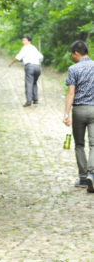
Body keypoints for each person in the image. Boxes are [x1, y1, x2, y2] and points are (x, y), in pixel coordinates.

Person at [63, 40, 94, 192]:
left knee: (80, 144)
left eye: (72, 54)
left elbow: (71, 93)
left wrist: (66, 114)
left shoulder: (73, 69)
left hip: (79, 110)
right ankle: (92, 174)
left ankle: (83, 178)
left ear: (76, 53)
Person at [9, 35, 44, 107]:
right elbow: (41, 57)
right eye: (22, 40)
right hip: (37, 67)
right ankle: (35, 98)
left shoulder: (25, 48)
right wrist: (39, 61)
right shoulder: (34, 48)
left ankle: (28, 102)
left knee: (29, 83)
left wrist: (12, 62)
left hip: (30, 67)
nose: (23, 42)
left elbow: (18, 57)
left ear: (29, 41)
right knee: (34, 82)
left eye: (25, 40)